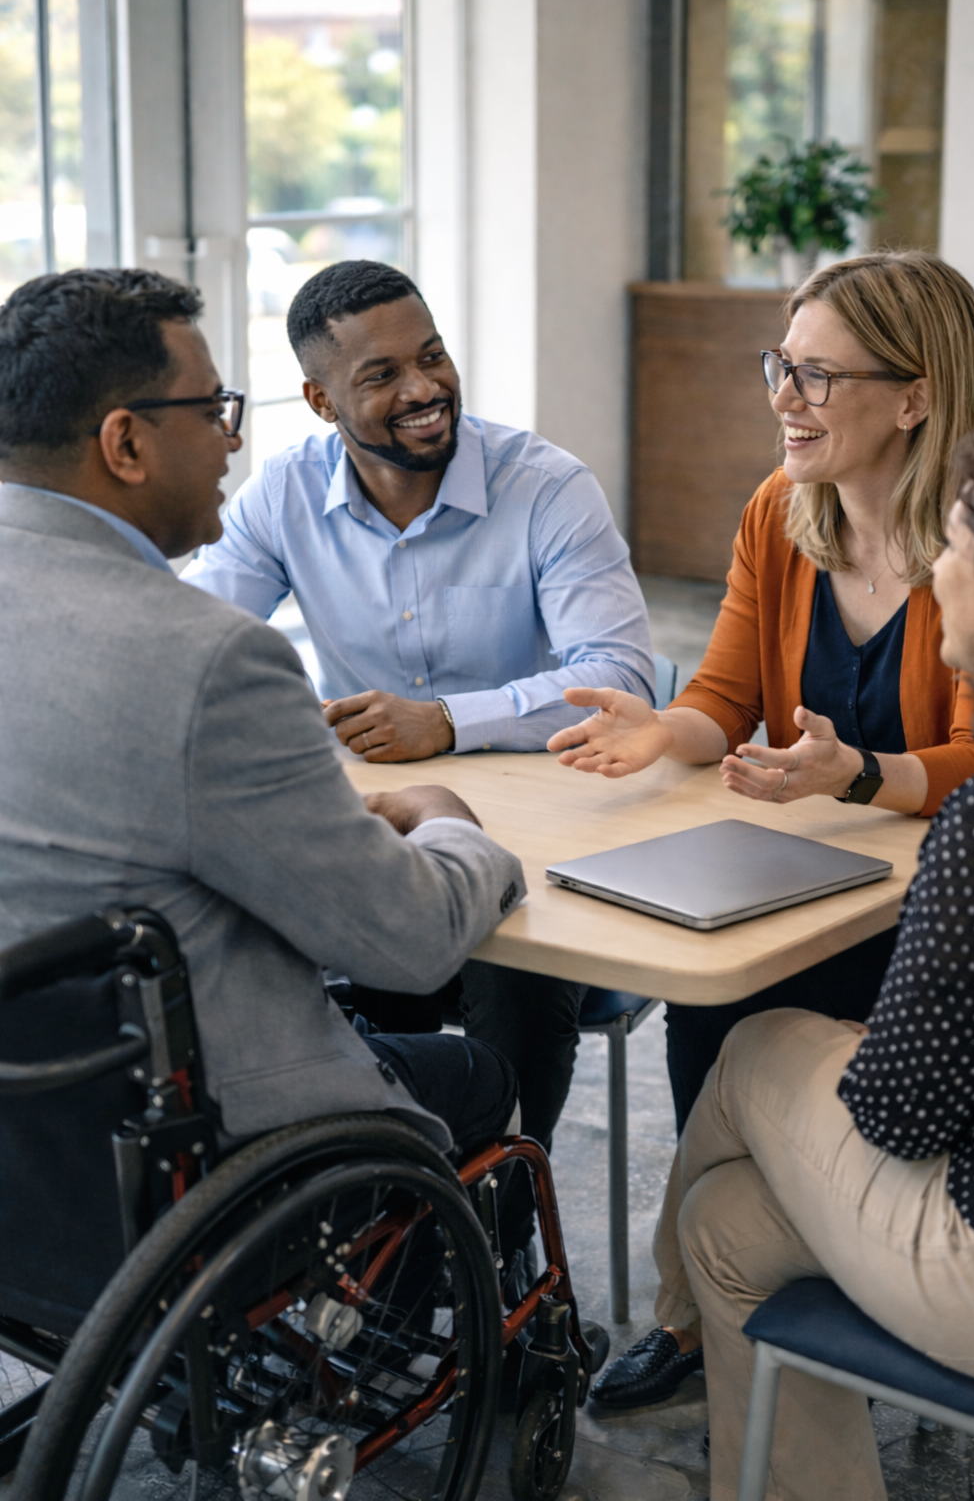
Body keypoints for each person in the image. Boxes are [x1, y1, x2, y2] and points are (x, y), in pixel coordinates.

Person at [183, 258, 655, 1263]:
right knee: (329, 974)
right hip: (382, 834)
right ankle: (384, 1241)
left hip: (540, 845)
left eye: (432, 356)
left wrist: (447, 721)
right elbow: (190, 640)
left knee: (513, 987)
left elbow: (619, 679)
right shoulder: (284, 496)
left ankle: (490, 1250)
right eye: (382, 375)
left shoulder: (544, 486)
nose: (424, 390)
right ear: (319, 400)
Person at [0, 266, 526, 1166]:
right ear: (125, 445)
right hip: (199, 1133)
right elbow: (409, 941)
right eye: (212, 412)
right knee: (477, 1074)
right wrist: (452, 827)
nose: (231, 445)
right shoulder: (210, 658)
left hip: (34, 1144)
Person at [595, 408, 974, 1500]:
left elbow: (903, 1116)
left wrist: (846, 1048)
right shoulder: (778, 518)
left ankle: (672, 1317)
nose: (938, 567)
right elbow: (721, 697)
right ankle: (693, 1311)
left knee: (756, 1049)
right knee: (721, 1225)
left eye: (963, 551)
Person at [550, 251, 974, 1168]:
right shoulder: (781, 511)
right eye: (782, 365)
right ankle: (699, 1291)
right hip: (805, 874)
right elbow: (725, 697)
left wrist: (861, 776)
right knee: (708, 997)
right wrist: (662, 731)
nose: (784, 398)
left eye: (819, 376)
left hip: (933, 913)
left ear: (913, 399)